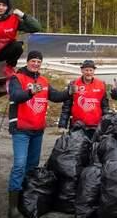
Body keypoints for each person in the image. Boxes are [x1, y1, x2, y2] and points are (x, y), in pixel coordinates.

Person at [7, 50, 71, 218]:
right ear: (28, 62)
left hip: (37, 130)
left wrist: (68, 92)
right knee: (20, 165)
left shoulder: (43, 80)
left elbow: (55, 96)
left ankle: (26, 200)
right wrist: (30, 92)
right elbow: (14, 96)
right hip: (21, 129)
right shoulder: (17, 78)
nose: (36, 64)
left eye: (38, 61)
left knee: (32, 167)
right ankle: (12, 207)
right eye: (33, 60)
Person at [58, 60, 108, 138]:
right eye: (86, 70)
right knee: (77, 149)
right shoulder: (74, 84)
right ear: (82, 70)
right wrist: (62, 124)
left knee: (94, 149)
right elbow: (67, 106)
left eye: (91, 70)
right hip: (77, 126)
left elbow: (105, 106)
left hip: (96, 126)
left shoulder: (101, 85)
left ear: (94, 71)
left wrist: (107, 123)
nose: (88, 72)